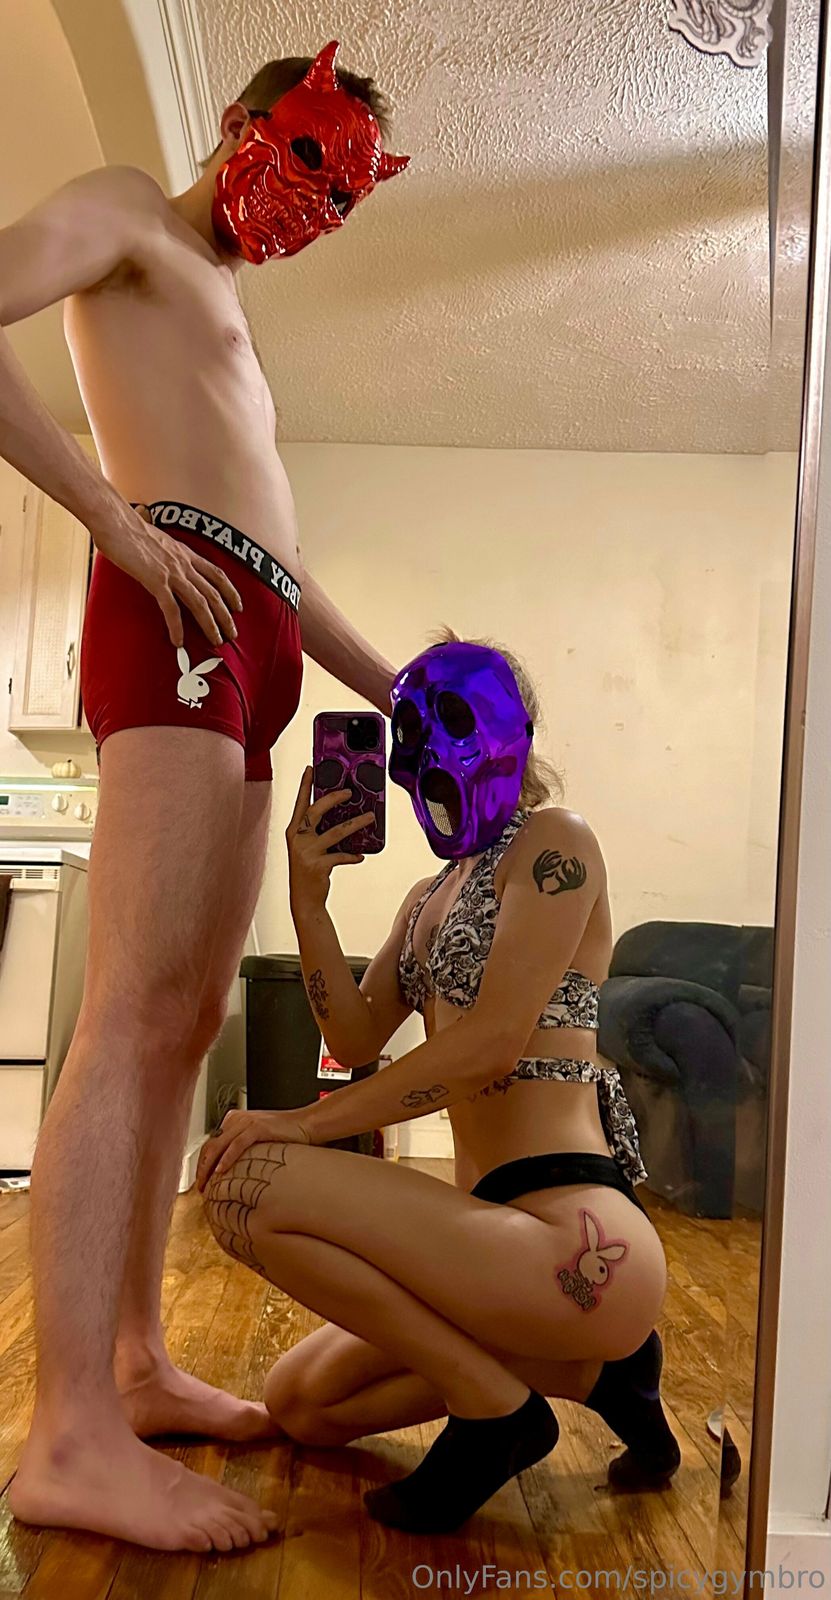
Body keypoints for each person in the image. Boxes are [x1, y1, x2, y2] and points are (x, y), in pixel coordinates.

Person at [0, 44, 409, 1553]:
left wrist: (398, 689)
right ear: (245, 120)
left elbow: (282, 568)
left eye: (346, 201)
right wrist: (110, 521)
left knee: (180, 1025)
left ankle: (132, 1364)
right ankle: (67, 1438)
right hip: (169, 598)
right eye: (308, 162)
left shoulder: (227, 315)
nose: (318, 209)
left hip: (256, 633)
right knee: (129, 1015)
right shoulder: (128, 211)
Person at [198, 635, 682, 1535]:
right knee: (302, 1404)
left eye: (450, 723)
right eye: (407, 735)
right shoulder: (428, 895)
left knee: (244, 1184)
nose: (423, 757)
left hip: (573, 1237)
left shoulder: (555, 843)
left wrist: (302, 1125)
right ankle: (602, 1375)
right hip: (484, 1246)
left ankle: (495, 1412)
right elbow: (352, 1036)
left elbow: (490, 1045)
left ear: (513, 735)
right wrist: (308, 901)